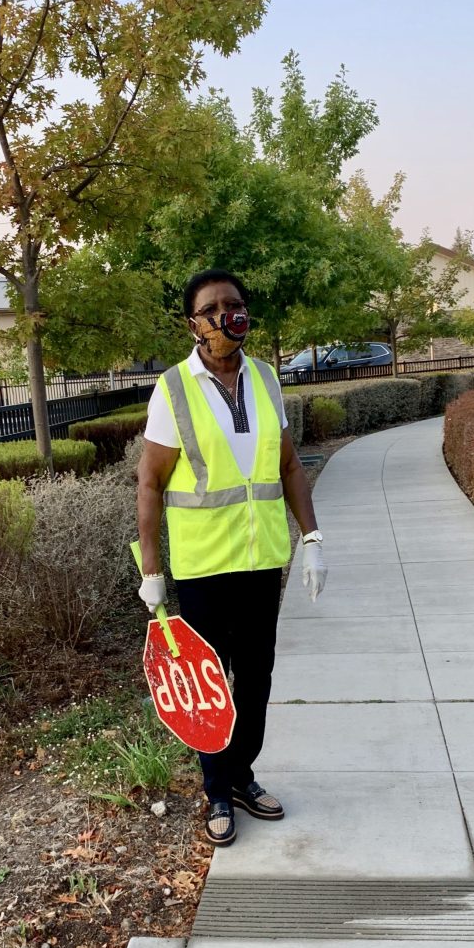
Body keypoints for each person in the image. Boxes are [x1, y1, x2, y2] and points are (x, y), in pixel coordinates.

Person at [136, 268, 328, 847]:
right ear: (194, 323)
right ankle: (216, 788)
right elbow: (150, 483)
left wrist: (312, 539)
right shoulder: (173, 389)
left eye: (236, 304)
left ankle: (242, 774)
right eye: (215, 307)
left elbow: (289, 466)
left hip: (262, 559)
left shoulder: (267, 379)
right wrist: (152, 569)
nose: (228, 315)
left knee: (257, 676)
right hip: (201, 568)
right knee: (208, 684)